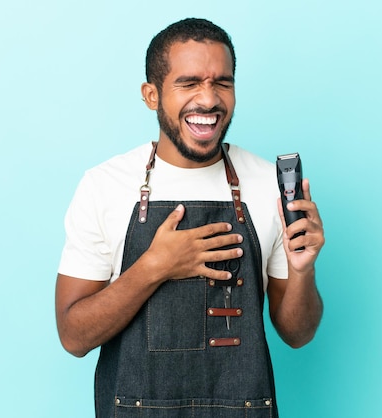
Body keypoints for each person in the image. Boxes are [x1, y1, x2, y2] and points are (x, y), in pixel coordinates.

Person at [55, 17, 324, 418]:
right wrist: (154, 267)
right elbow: (74, 336)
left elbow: (297, 334)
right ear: (151, 95)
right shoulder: (104, 186)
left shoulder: (268, 184)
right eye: (189, 83)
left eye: (222, 83)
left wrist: (303, 270)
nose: (209, 99)